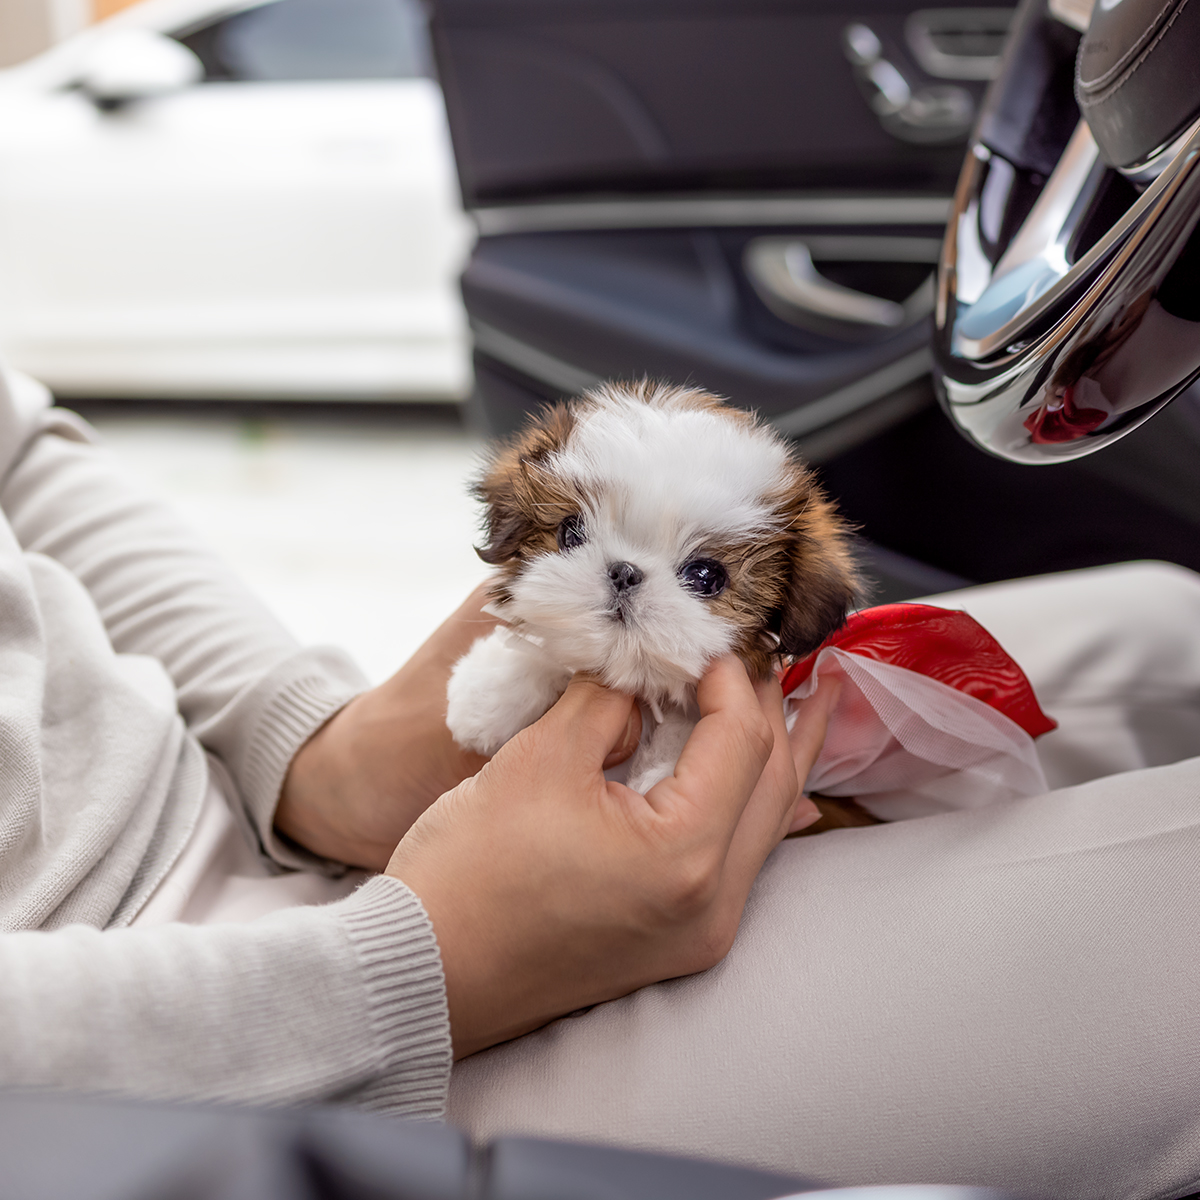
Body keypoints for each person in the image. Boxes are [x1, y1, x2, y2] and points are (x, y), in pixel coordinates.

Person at [6, 367, 1200, 1198]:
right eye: (578, 539)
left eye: (697, 569)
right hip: (197, 1069)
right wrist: (416, 966)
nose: (623, 580)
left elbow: (26, 460)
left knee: (1169, 630)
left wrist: (312, 750)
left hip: (241, 806)